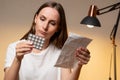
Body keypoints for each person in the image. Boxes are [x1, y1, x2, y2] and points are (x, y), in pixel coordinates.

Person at [4, 1, 90, 80]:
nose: (45, 27)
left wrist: (78, 64)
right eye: (42, 19)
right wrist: (17, 59)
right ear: (35, 19)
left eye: (52, 23)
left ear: (58, 28)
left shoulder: (60, 53)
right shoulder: (14, 47)